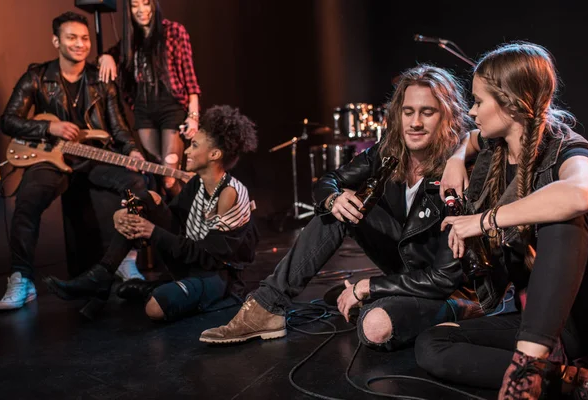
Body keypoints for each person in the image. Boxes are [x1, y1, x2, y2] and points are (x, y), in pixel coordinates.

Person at [199, 65, 508, 348]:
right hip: (405, 268)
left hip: (450, 287)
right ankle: (268, 305)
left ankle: (452, 311)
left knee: (374, 328)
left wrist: (367, 287)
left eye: (427, 112)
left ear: (446, 116)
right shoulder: (390, 150)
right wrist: (333, 198)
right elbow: (330, 180)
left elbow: (443, 278)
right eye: (408, 111)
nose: (414, 122)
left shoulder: (461, 169)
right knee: (341, 206)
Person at [414, 43, 588, 399]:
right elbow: (469, 138)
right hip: (529, 320)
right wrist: (456, 158)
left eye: (479, 101)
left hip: (575, 319)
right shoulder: (495, 145)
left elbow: (581, 192)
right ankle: (569, 378)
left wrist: (486, 220)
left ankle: (526, 372)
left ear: (511, 103)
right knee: (432, 344)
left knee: (561, 220)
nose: (472, 110)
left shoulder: (564, 147)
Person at [43, 105, 259, 322]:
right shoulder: (198, 183)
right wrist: (133, 211)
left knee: (154, 309)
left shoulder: (229, 194)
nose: (186, 151)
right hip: (190, 264)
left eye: (194, 145)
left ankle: (151, 288)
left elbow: (208, 257)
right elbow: (172, 219)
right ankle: (102, 275)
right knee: (146, 199)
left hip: (216, 277)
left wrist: (152, 231)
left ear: (214, 154)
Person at [0, 12, 148, 312]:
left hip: (92, 158)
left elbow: (118, 128)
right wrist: (47, 128)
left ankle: (125, 261)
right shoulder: (37, 77)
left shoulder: (101, 81)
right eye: (71, 38)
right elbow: (8, 120)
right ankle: (21, 278)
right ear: (56, 41)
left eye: (84, 38)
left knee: (135, 182)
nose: (80, 44)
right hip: (52, 159)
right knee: (27, 200)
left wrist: (132, 150)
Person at [98, 0, 201, 199]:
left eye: (146, 3)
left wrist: (193, 115)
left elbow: (190, 77)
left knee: (169, 177)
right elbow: (109, 56)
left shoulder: (174, 31)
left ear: (154, 5)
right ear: (129, 10)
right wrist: (106, 57)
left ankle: (190, 220)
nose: (141, 10)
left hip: (172, 109)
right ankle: (173, 223)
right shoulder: (130, 40)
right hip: (144, 112)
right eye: (135, 5)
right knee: (158, 174)